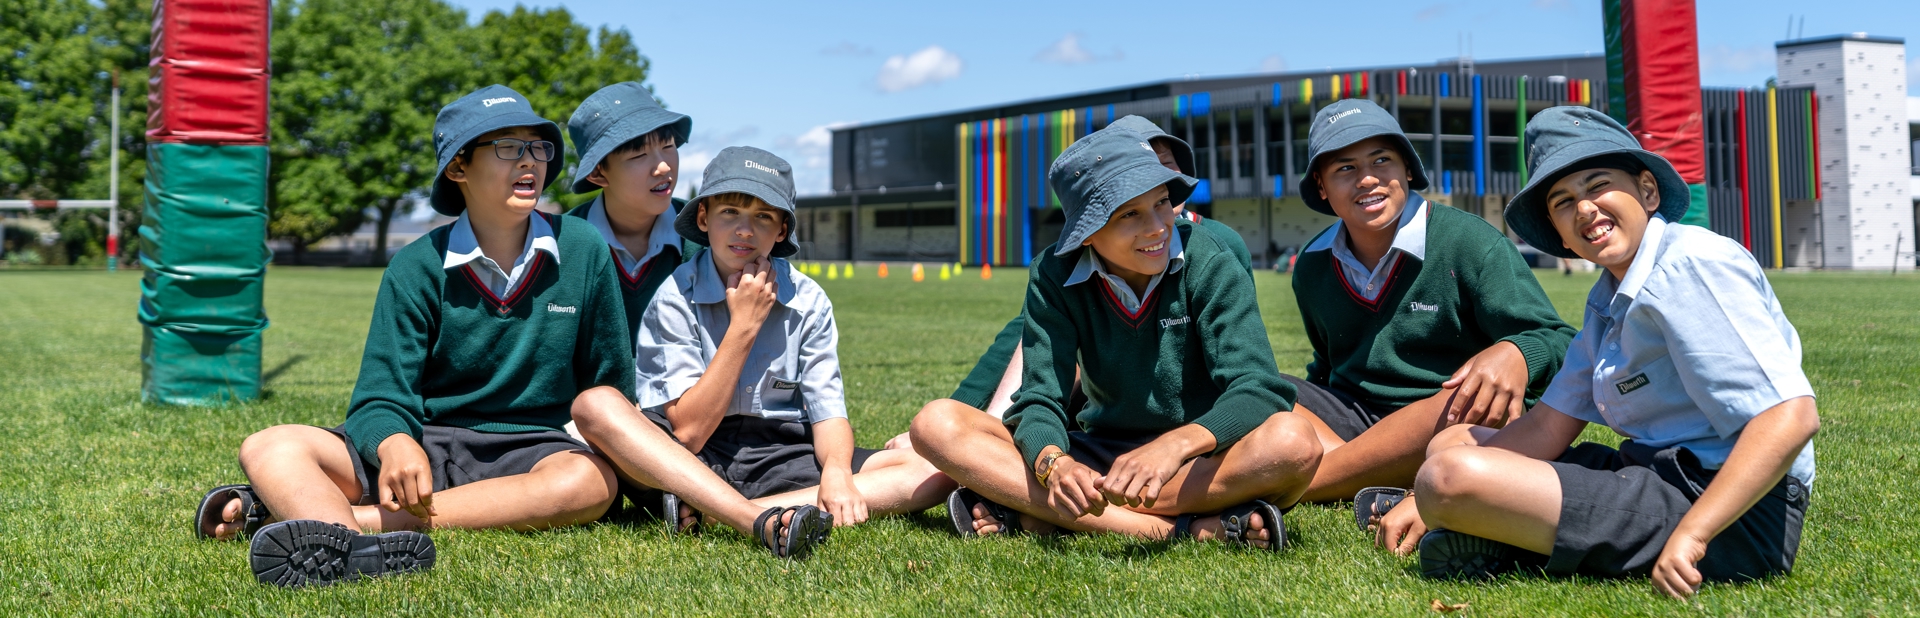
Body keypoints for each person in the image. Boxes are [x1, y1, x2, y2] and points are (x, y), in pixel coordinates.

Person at [192, 85, 633, 586]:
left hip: (532, 453)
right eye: (508, 147)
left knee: (590, 483)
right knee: (269, 445)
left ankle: (336, 525)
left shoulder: (583, 248)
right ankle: (334, 533)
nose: (529, 161)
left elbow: (609, 386)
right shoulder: (415, 265)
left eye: (538, 147)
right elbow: (380, 396)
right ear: (458, 168)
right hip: (424, 447)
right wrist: (397, 443)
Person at [1371, 107, 1817, 600]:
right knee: (1451, 446)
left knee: (1449, 473)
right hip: (1656, 476)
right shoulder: (1609, 297)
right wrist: (1424, 493)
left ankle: (1497, 535)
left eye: (1597, 184)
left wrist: (1694, 535)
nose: (1584, 209)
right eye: (1563, 201)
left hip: (1737, 513)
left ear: (1647, 191)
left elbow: (1789, 416)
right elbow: (1546, 428)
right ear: (1559, 232)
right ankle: (1493, 533)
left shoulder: (1690, 265)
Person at [910, 124, 1320, 548]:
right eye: (1130, 214)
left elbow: (1259, 388)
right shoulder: (1054, 273)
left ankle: (1043, 511)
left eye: (1162, 203)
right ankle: (1185, 529)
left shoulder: (1211, 254)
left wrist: (1174, 446)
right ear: (1086, 232)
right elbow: (1039, 399)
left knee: (1294, 443)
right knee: (936, 423)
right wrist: (1055, 465)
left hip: (1198, 459)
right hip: (1098, 455)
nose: (1158, 227)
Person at [568, 147, 955, 559]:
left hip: (782, 455)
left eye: (763, 217)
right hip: (692, 460)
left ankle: (718, 512)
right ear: (704, 219)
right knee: (596, 406)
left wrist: (839, 475)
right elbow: (688, 432)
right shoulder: (675, 296)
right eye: (730, 212)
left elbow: (828, 412)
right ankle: (744, 513)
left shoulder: (809, 300)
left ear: (782, 230)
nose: (744, 230)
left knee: (930, 471)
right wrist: (744, 327)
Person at [1282, 100, 1575, 518]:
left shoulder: (1470, 242)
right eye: (1345, 168)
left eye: (1381, 160)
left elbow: (1561, 339)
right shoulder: (1312, 263)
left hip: (1448, 417)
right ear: (1322, 187)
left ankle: (1301, 486)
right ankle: (1383, 477)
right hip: (1355, 416)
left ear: (1407, 169)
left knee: (1471, 395)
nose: (1367, 179)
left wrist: (1518, 353)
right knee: (1259, 388)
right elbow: (1326, 366)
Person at [884, 114, 1249, 450]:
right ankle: (982, 438)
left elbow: (1242, 356)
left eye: (1161, 168)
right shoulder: (1061, 270)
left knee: (1288, 436)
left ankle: (994, 457)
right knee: (972, 419)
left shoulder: (1214, 247)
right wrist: (973, 416)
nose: (1145, 179)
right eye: (1128, 200)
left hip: (1199, 429)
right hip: (1100, 420)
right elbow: (1030, 347)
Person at [563, 82, 700, 349]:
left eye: (669, 145)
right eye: (639, 154)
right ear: (598, 173)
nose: (663, 166)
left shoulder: (708, 234)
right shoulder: (561, 245)